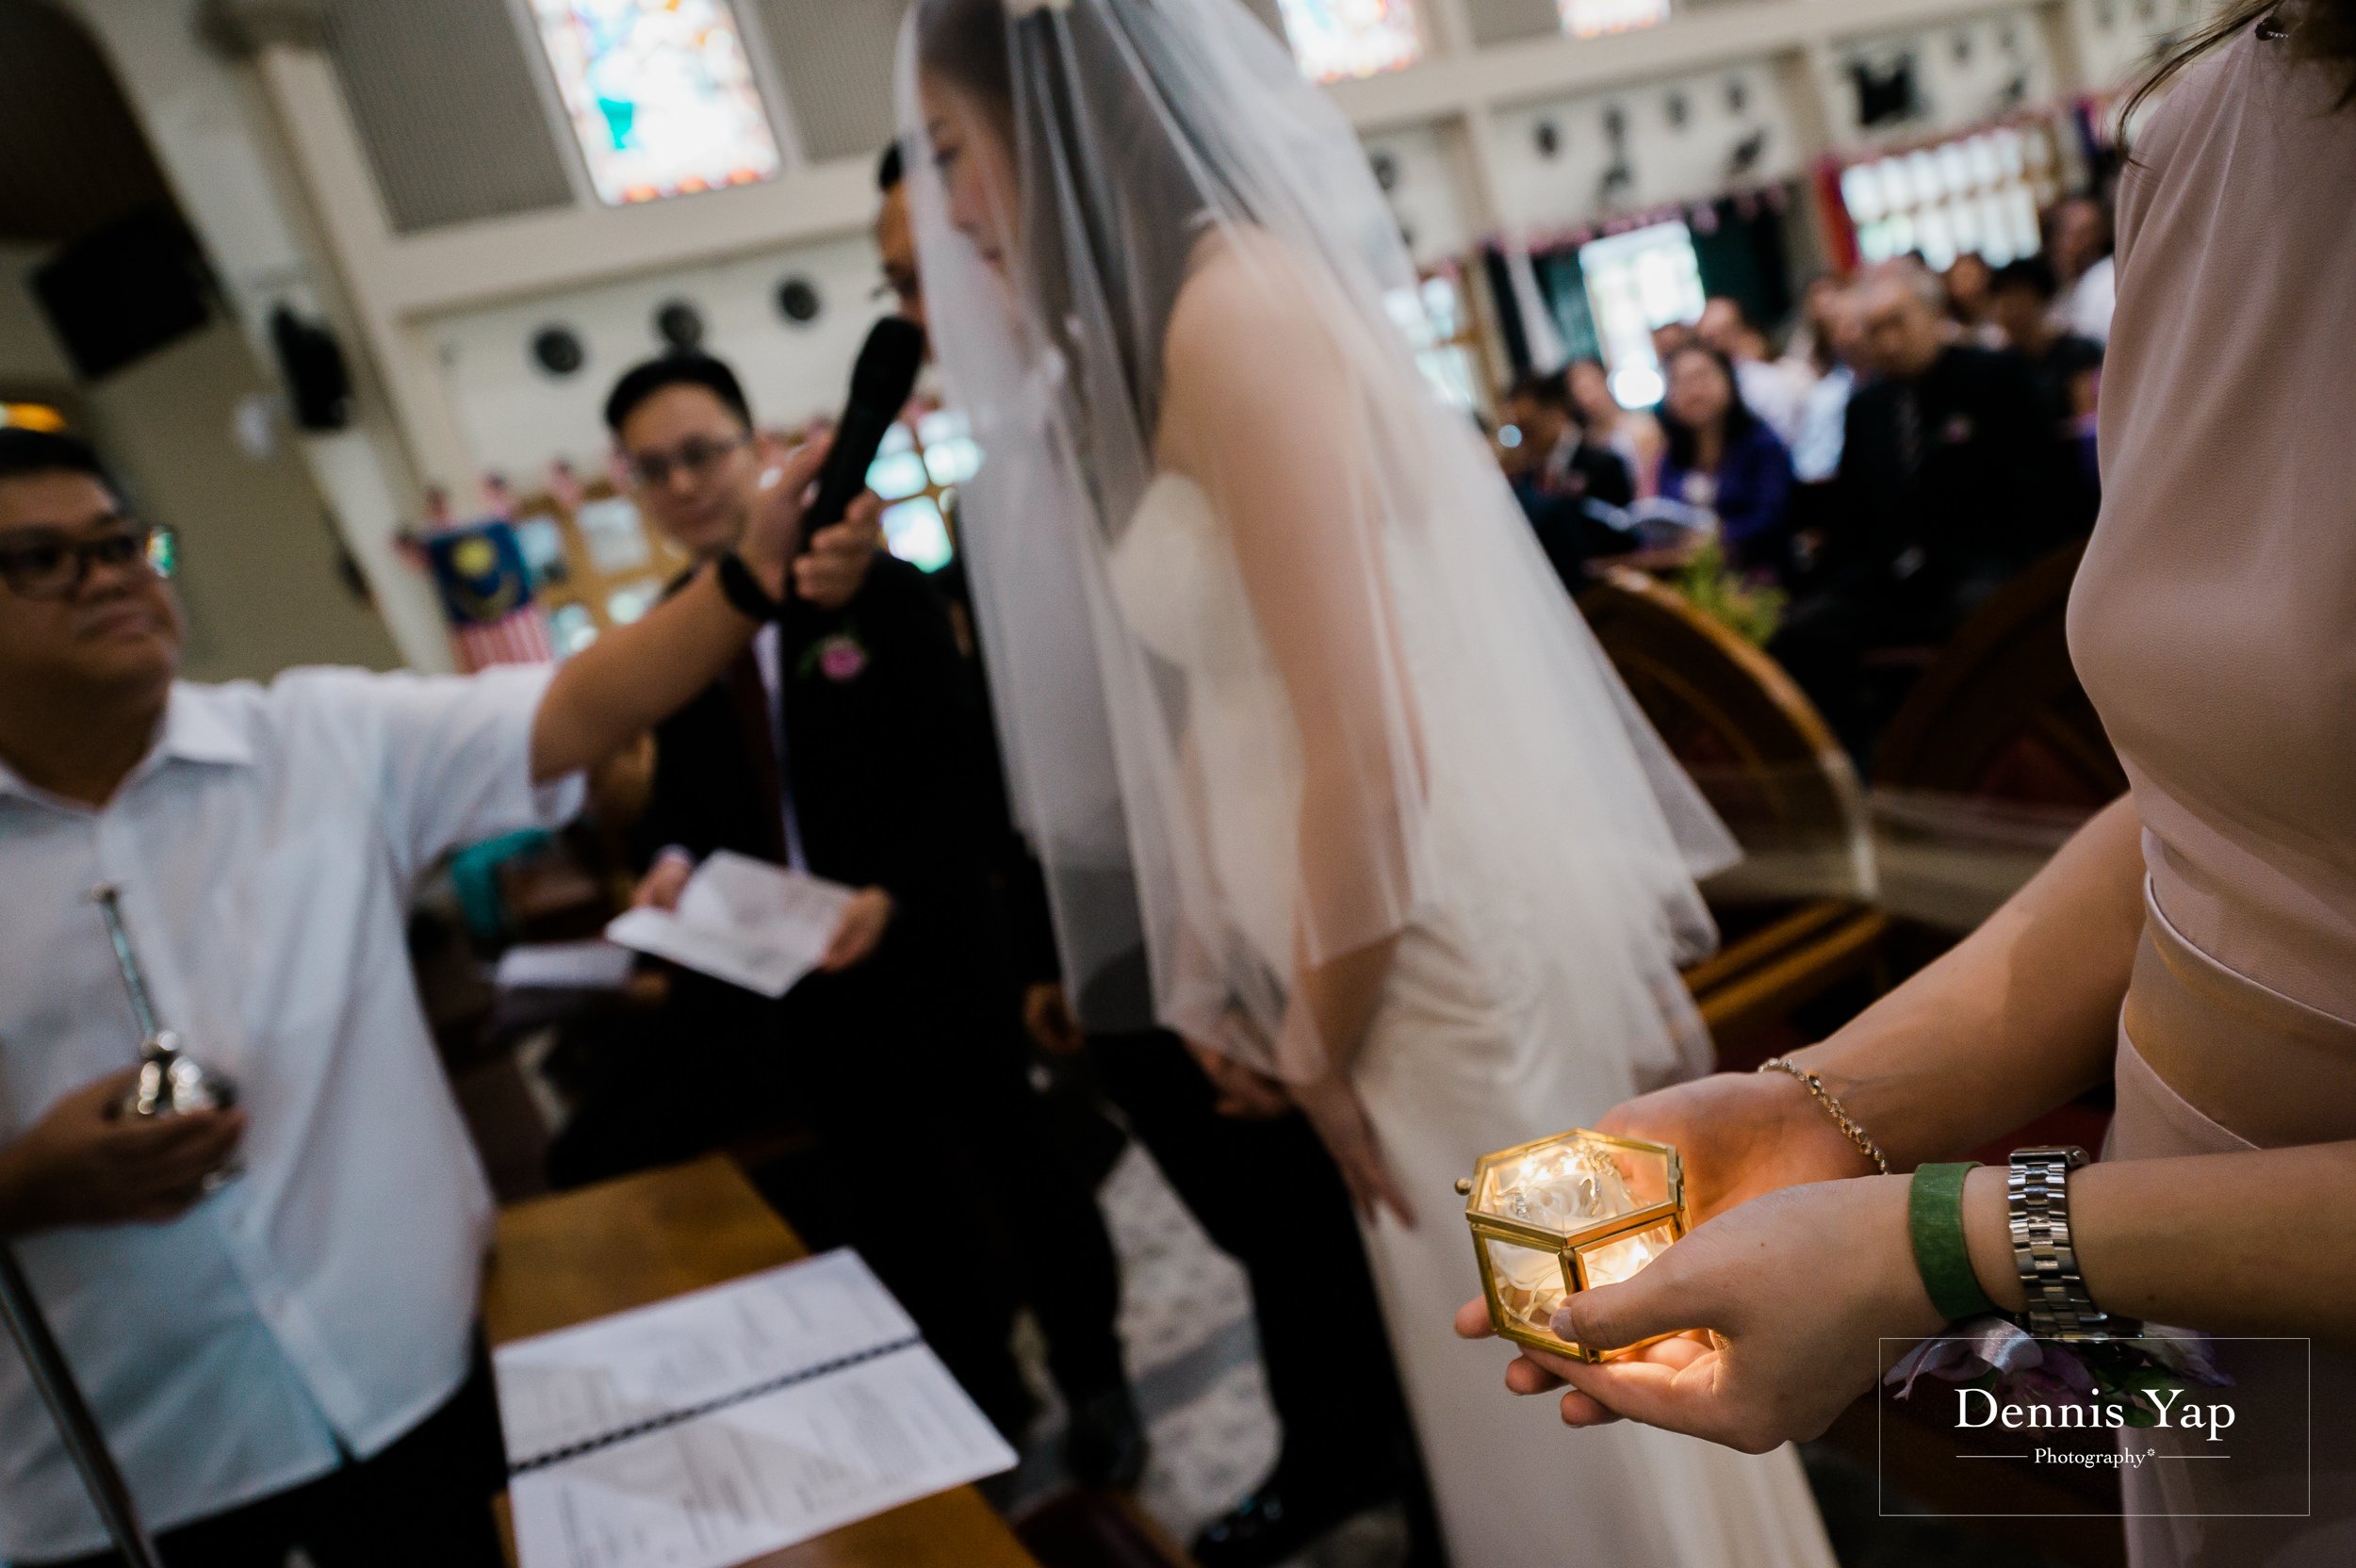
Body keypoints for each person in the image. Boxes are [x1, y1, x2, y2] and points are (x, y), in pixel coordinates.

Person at [900, 3, 1841, 1566]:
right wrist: (1221, 964)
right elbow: (1225, 691)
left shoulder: (1237, 312)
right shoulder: (1154, 340)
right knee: (1492, 1372)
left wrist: (1317, 1036)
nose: (951, 210)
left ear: (1071, 111)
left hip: (1424, 952)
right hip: (1354, 955)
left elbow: (1372, 742)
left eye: (949, 154)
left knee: (1575, 1364)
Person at [1456, 8, 2356, 1567]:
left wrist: (1939, 1241)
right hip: (2186, 1257)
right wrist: (1830, 1107)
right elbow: (2225, 798)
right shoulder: (2221, 124)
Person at [0, 423, 873, 1564]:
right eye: (42, 558)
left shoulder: (311, 740)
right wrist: (24, 1183)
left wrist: (750, 578)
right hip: (135, 1464)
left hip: (412, 1383)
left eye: (122, 543)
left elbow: (570, 707)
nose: (107, 574)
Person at [877, 139, 1435, 1562]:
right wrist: (1047, 944)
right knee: (1257, 1227)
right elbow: (1007, 739)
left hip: (1253, 887)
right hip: (1110, 916)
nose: (927, 302)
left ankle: (1386, 1462)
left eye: (942, 260)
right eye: (900, 279)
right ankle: (1347, 1449)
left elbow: (1254, 687)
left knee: (1334, 1222)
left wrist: (1239, 939)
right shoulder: (983, 487)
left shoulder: (1168, 383)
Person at [552, 351, 1147, 1480]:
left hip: (930, 952)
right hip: (798, 985)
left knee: (1021, 1171)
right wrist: (673, 862)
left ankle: (1096, 1379)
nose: (683, 484)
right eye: (653, 468)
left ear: (753, 448)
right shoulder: (676, 631)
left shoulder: (877, 590)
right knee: (899, 1213)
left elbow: (971, 777)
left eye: (702, 453)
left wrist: (895, 894)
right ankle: (988, 1406)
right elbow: (684, 807)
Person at [1769, 261, 2079, 754]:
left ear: (1933, 316)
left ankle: (1987, 761)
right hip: (1893, 579)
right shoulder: (1868, 407)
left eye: (1898, 323)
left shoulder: (1994, 377)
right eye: (1874, 330)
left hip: (1983, 565)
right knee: (1800, 633)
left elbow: (2042, 491)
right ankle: (1861, 776)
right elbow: (1851, 517)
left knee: (1979, 620)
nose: (1887, 342)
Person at [1653, 344, 1796, 573]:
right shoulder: (1670, 458)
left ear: (1728, 380)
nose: (1693, 391)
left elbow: (1773, 518)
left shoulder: (1762, 444)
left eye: (1701, 377)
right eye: (1679, 382)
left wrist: (1717, 538)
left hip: (1760, 574)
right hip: (1690, 575)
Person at [1696, 295, 1810, 446]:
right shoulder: (1702, 391)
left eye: (1724, 332)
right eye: (1709, 338)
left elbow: (1781, 441)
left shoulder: (1766, 382)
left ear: (1743, 329)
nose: (1718, 343)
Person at [1568, 355, 1665, 501]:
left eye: (1592, 385)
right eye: (1580, 389)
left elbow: (1657, 480)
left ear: (1605, 380)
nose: (1589, 396)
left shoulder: (1643, 427)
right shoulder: (1581, 444)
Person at [2045, 194, 2118, 344]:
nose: (2069, 243)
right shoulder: (2064, 287)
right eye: (2063, 232)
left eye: (2082, 234)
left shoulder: (2108, 279)